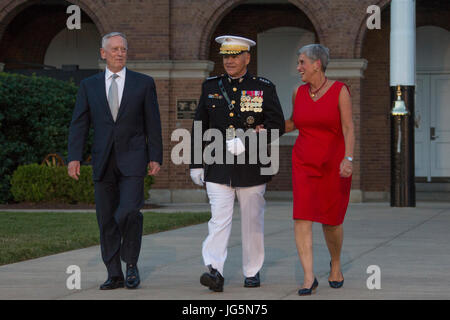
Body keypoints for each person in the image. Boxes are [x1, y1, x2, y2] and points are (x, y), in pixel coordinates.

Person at [67, 32, 163, 290]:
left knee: (129, 212)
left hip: (133, 159)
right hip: (102, 161)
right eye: (115, 49)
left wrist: (155, 155)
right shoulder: (89, 85)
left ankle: (130, 264)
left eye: (124, 49)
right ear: (103, 53)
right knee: (106, 219)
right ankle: (114, 273)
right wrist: (74, 157)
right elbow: (79, 123)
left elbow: (153, 122)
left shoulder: (143, 83)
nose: (120, 53)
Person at [190, 35, 285, 292]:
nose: (229, 60)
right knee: (218, 220)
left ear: (247, 58)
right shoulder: (211, 86)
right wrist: (195, 163)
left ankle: (252, 270)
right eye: (225, 56)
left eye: (234, 55)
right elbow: (200, 126)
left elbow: (277, 127)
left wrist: (249, 141)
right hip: (217, 164)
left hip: (252, 165)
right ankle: (214, 270)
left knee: (252, 221)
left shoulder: (263, 87)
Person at [285, 44, 354, 295]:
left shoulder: (339, 91)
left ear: (317, 64)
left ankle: (335, 264)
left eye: (302, 62)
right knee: (302, 216)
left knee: (331, 221)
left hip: (333, 165)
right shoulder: (298, 92)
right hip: (303, 162)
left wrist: (348, 158)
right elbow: (294, 122)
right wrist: (267, 125)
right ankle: (308, 277)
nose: (298, 67)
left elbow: (348, 128)